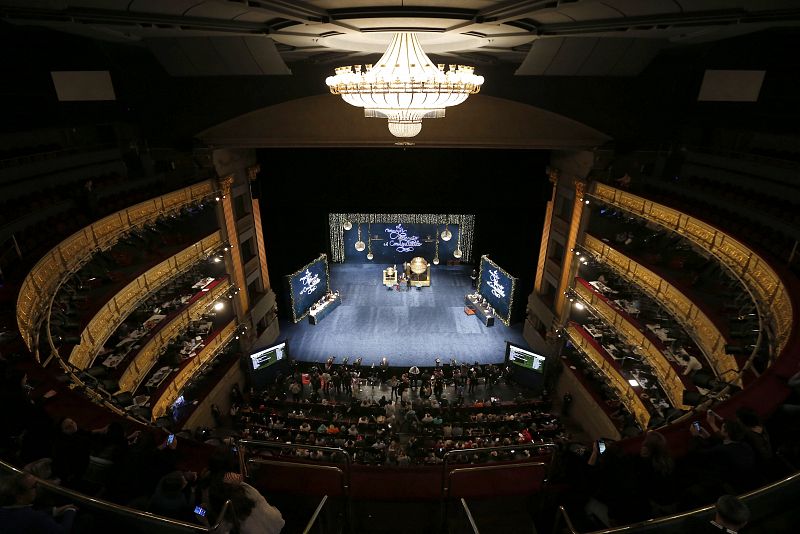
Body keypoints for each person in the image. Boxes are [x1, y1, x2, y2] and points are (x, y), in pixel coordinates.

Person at [0, 472, 78, 533]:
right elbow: (62, 532)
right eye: (34, 487)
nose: (37, 489)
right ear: (20, 497)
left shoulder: (4, 510)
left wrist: (54, 511)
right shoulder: (34, 518)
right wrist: (70, 511)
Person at [207, 473, 284, 534]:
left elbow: (216, 531)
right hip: (276, 523)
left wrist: (204, 520)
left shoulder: (227, 518)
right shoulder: (249, 489)